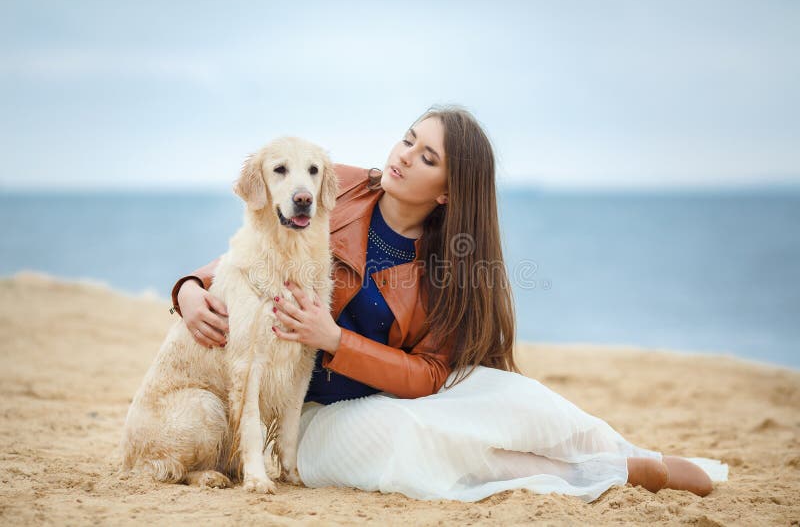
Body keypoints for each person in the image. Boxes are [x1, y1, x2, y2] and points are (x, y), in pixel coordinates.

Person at [169, 105, 728, 503]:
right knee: (411, 438)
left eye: (427, 155)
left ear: (448, 191)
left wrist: (334, 340)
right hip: (311, 414)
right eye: (408, 138)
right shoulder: (332, 185)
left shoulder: (452, 267)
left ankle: (629, 458)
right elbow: (254, 250)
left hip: (400, 392)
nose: (404, 156)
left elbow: (433, 374)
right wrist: (190, 288)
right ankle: (598, 476)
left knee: (516, 394)